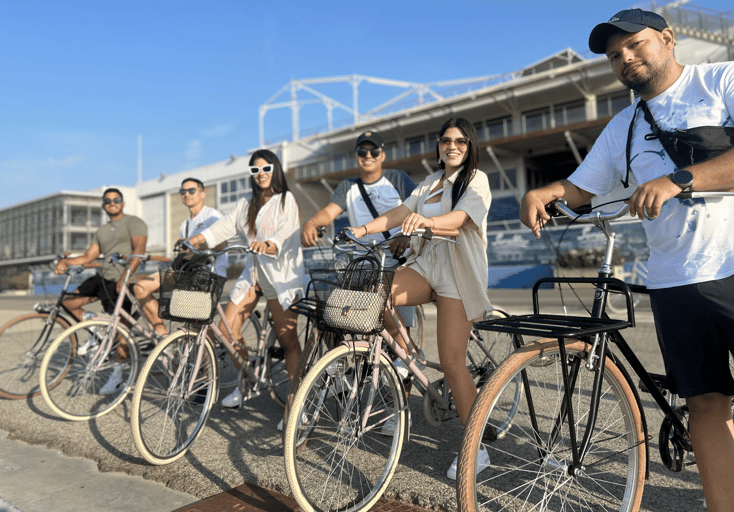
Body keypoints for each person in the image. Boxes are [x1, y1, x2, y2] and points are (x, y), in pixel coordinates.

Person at [519, 9, 734, 510]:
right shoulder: (624, 126)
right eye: (615, 55)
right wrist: (546, 190)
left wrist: (678, 179)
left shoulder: (720, 79)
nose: (625, 59)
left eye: (635, 45)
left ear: (668, 38)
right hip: (675, 280)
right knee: (704, 402)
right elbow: (581, 187)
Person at [347, 118, 492, 479]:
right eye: (446, 141)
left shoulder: (477, 180)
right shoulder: (431, 182)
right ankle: (408, 353)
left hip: (457, 273)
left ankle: (478, 450)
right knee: (372, 295)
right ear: (439, 146)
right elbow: (401, 213)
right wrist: (363, 229)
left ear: (470, 145)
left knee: (453, 361)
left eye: (460, 140)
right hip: (425, 265)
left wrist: (426, 223)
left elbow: (459, 219)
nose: (452, 146)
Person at [186, 149, 304, 430]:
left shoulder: (286, 200)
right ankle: (248, 381)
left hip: (280, 275)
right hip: (252, 276)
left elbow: (286, 231)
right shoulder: (244, 205)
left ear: (275, 170)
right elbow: (221, 229)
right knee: (226, 331)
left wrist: (270, 244)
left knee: (288, 340)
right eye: (255, 170)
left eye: (266, 169)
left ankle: (296, 402)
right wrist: (196, 240)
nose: (261, 174)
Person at [300, 130, 418, 387]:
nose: (368, 155)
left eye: (373, 151)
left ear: (382, 154)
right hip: (362, 261)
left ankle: (403, 377)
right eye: (362, 151)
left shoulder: (398, 179)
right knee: (333, 314)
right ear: (356, 156)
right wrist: (311, 222)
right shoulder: (348, 187)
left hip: (398, 258)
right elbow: (328, 213)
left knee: (398, 337)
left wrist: (407, 236)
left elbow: (418, 207)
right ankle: (340, 368)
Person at [54, 188, 148, 394]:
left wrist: (125, 277)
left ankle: (117, 376)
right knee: (68, 302)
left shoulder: (134, 223)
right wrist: (66, 261)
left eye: (116, 200)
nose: (112, 203)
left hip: (123, 281)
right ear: (104, 205)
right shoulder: (102, 230)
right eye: (108, 200)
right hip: (102, 278)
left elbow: (139, 252)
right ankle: (96, 332)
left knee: (121, 333)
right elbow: (88, 257)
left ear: (122, 203)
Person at [133, 177, 228, 339]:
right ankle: (163, 339)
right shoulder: (185, 225)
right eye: (183, 191)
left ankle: (207, 360)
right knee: (140, 287)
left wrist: (196, 243)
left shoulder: (212, 215)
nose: (187, 194)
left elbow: (222, 243)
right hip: (185, 272)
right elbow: (185, 255)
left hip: (209, 274)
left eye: (192, 190)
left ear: (203, 194)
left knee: (197, 328)